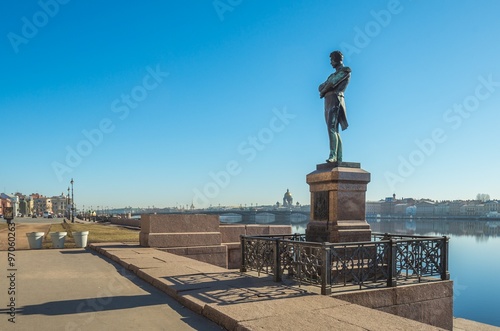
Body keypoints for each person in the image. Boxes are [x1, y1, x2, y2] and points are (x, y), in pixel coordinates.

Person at [318, 50, 351, 163]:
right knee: (333, 129)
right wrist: (324, 88)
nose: (331, 63)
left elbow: (332, 83)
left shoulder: (345, 70)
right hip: (328, 101)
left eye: (332, 60)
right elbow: (321, 86)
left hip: (336, 99)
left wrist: (323, 91)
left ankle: (333, 155)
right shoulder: (332, 75)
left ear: (337, 59)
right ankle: (338, 157)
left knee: (332, 127)